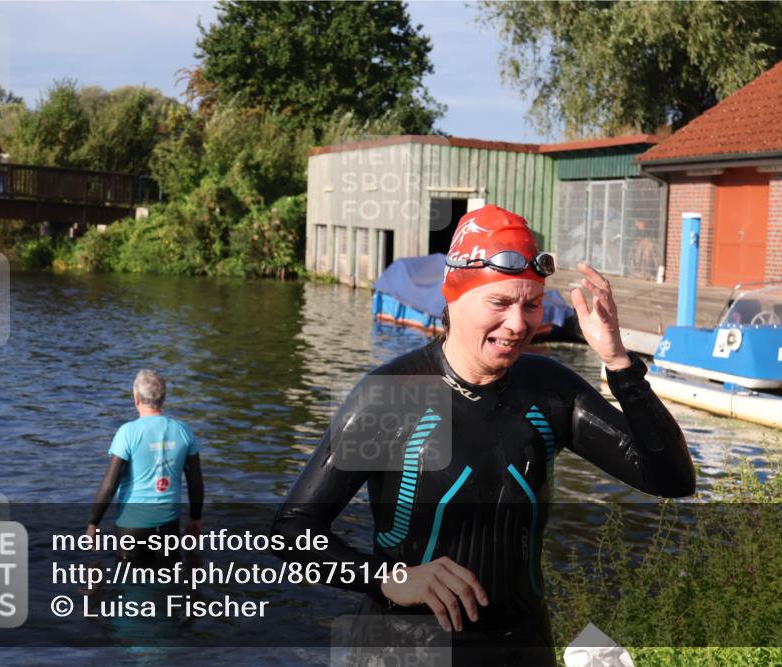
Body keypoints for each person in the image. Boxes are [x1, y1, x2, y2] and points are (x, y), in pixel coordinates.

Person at [271, 205, 695, 665]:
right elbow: (293, 530)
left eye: (531, 305)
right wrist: (391, 578)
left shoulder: (549, 391)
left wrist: (620, 366)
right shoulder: (390, 397)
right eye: (499, 303)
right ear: (452, 298)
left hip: (524, 647)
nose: (518, 324)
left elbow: (672, 480)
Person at [87, 370, 204, 564]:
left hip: (131, 526)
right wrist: (196, 519)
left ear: (136, 398)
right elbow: (195, 481)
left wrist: (94, 522)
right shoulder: (184, 431)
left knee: (131, 585)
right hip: (168, 525)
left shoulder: (127, 433)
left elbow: (110, 483)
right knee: (167, 585)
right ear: (164, 398)